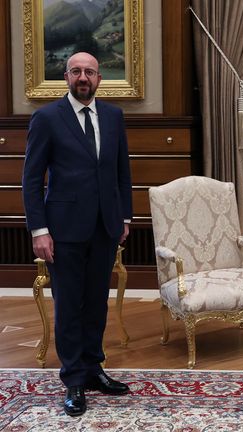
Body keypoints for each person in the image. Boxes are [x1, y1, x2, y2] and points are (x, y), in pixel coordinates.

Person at [22, 52, 133, 416]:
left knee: (97, 302)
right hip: (63, 230)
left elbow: (121, 173)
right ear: (65, 77)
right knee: (69, 305)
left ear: (99, 78)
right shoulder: (47, 118)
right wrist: (40, 230)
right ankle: (73, 378)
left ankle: (93, 368)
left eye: (89, 71)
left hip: (105, 227)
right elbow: (31, 180)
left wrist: (125, 218)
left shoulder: (114, 117)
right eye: (76, 71)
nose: (83, 77)